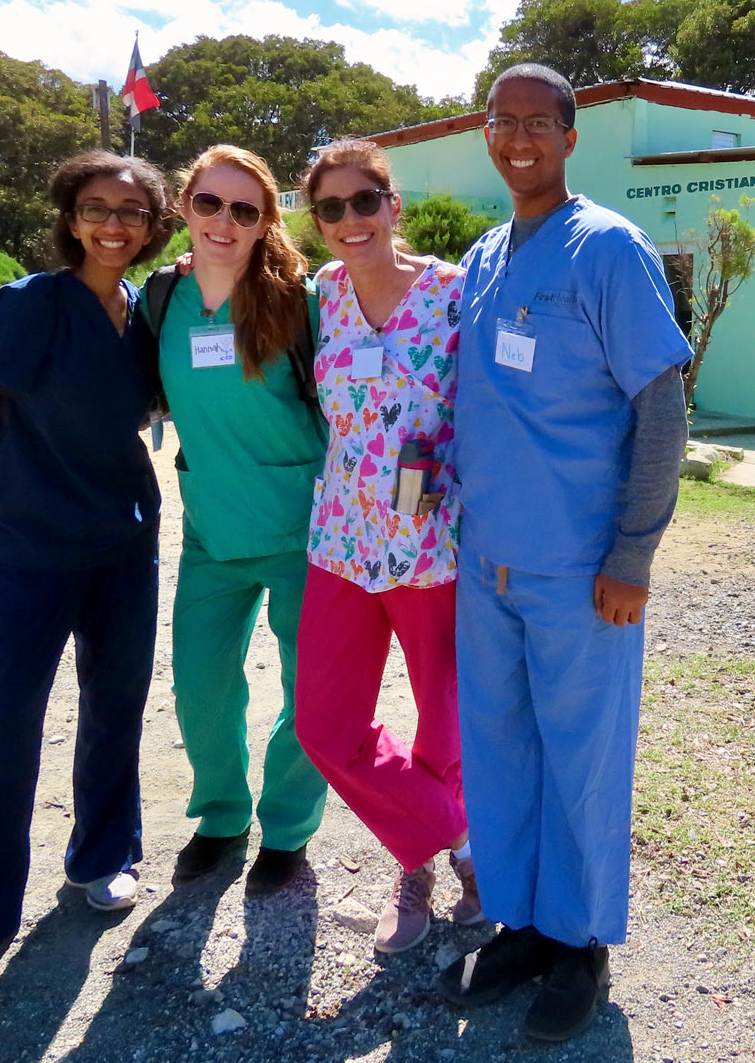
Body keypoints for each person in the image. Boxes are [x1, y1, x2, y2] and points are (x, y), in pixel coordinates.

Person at [439, 64, 691, 1041]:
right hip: (486, 562)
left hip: (581, 570)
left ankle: (578, 944)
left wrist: (632, 554)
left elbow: (660, 403)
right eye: (502, 123)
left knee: (581, 759)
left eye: (537, 123)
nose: (517, 140)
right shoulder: (482, 256)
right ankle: (522, 923)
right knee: (501, 751)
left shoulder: (608, 251)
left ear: (569, 136)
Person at [0, 150, 173, 999]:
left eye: (133, 212)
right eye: (98, 208)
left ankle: (102, 857)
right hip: (31, 549)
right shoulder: (32, 303)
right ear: (71, 217)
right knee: (6, 721)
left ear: (152, 226)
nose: (114, 225)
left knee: (116, 707)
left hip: (125, 544)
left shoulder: (144, 311)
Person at [294, 139, 480, 954]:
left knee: (445, 726)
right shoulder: (322, 295)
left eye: (362, 201)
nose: (348, 220)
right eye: (329, 208)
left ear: (392, 205)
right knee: (323, 727)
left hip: (431, 547)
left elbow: (493, 406)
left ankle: (416, 868)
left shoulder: (452, 292)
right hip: (340, 544)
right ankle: (458, 841)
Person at [143, 144, 329, 897]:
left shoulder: (301, 301)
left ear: (263, 224)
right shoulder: (159, 298)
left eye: (244, 210)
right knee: (200, 685)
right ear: (185, 207)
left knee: (309, 689)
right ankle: (222, 816)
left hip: (304, 530)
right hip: (211, 531)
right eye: (210, 203)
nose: (224, 221)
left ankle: (288, 829)